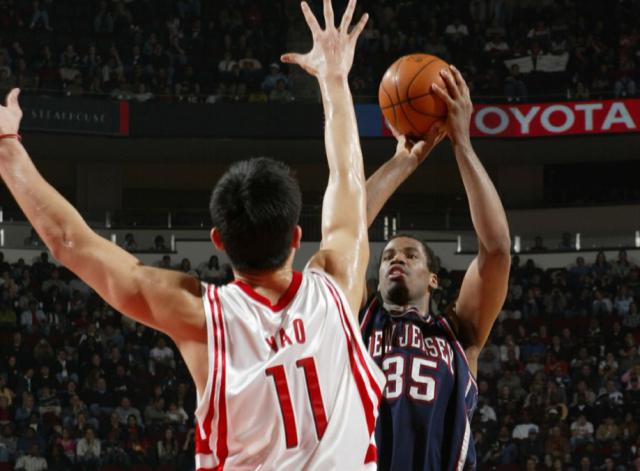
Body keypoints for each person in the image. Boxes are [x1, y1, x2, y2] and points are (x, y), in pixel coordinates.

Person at [0, 0, 383, 468]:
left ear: (217, 241)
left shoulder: (200, 315)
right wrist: (334, 79)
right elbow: (347, 179)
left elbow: (70, 242)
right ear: (297, 236)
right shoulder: (338, 285)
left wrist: (7, 148)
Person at [360, 64, 511, 469]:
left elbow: (496, 250)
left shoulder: (459, 335)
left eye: (410, 255)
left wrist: (462, 143)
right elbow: (348, 228)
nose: (396, 259)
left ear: (433, 279)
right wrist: (403, 161)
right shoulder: (357, 322)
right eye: (388, 256)